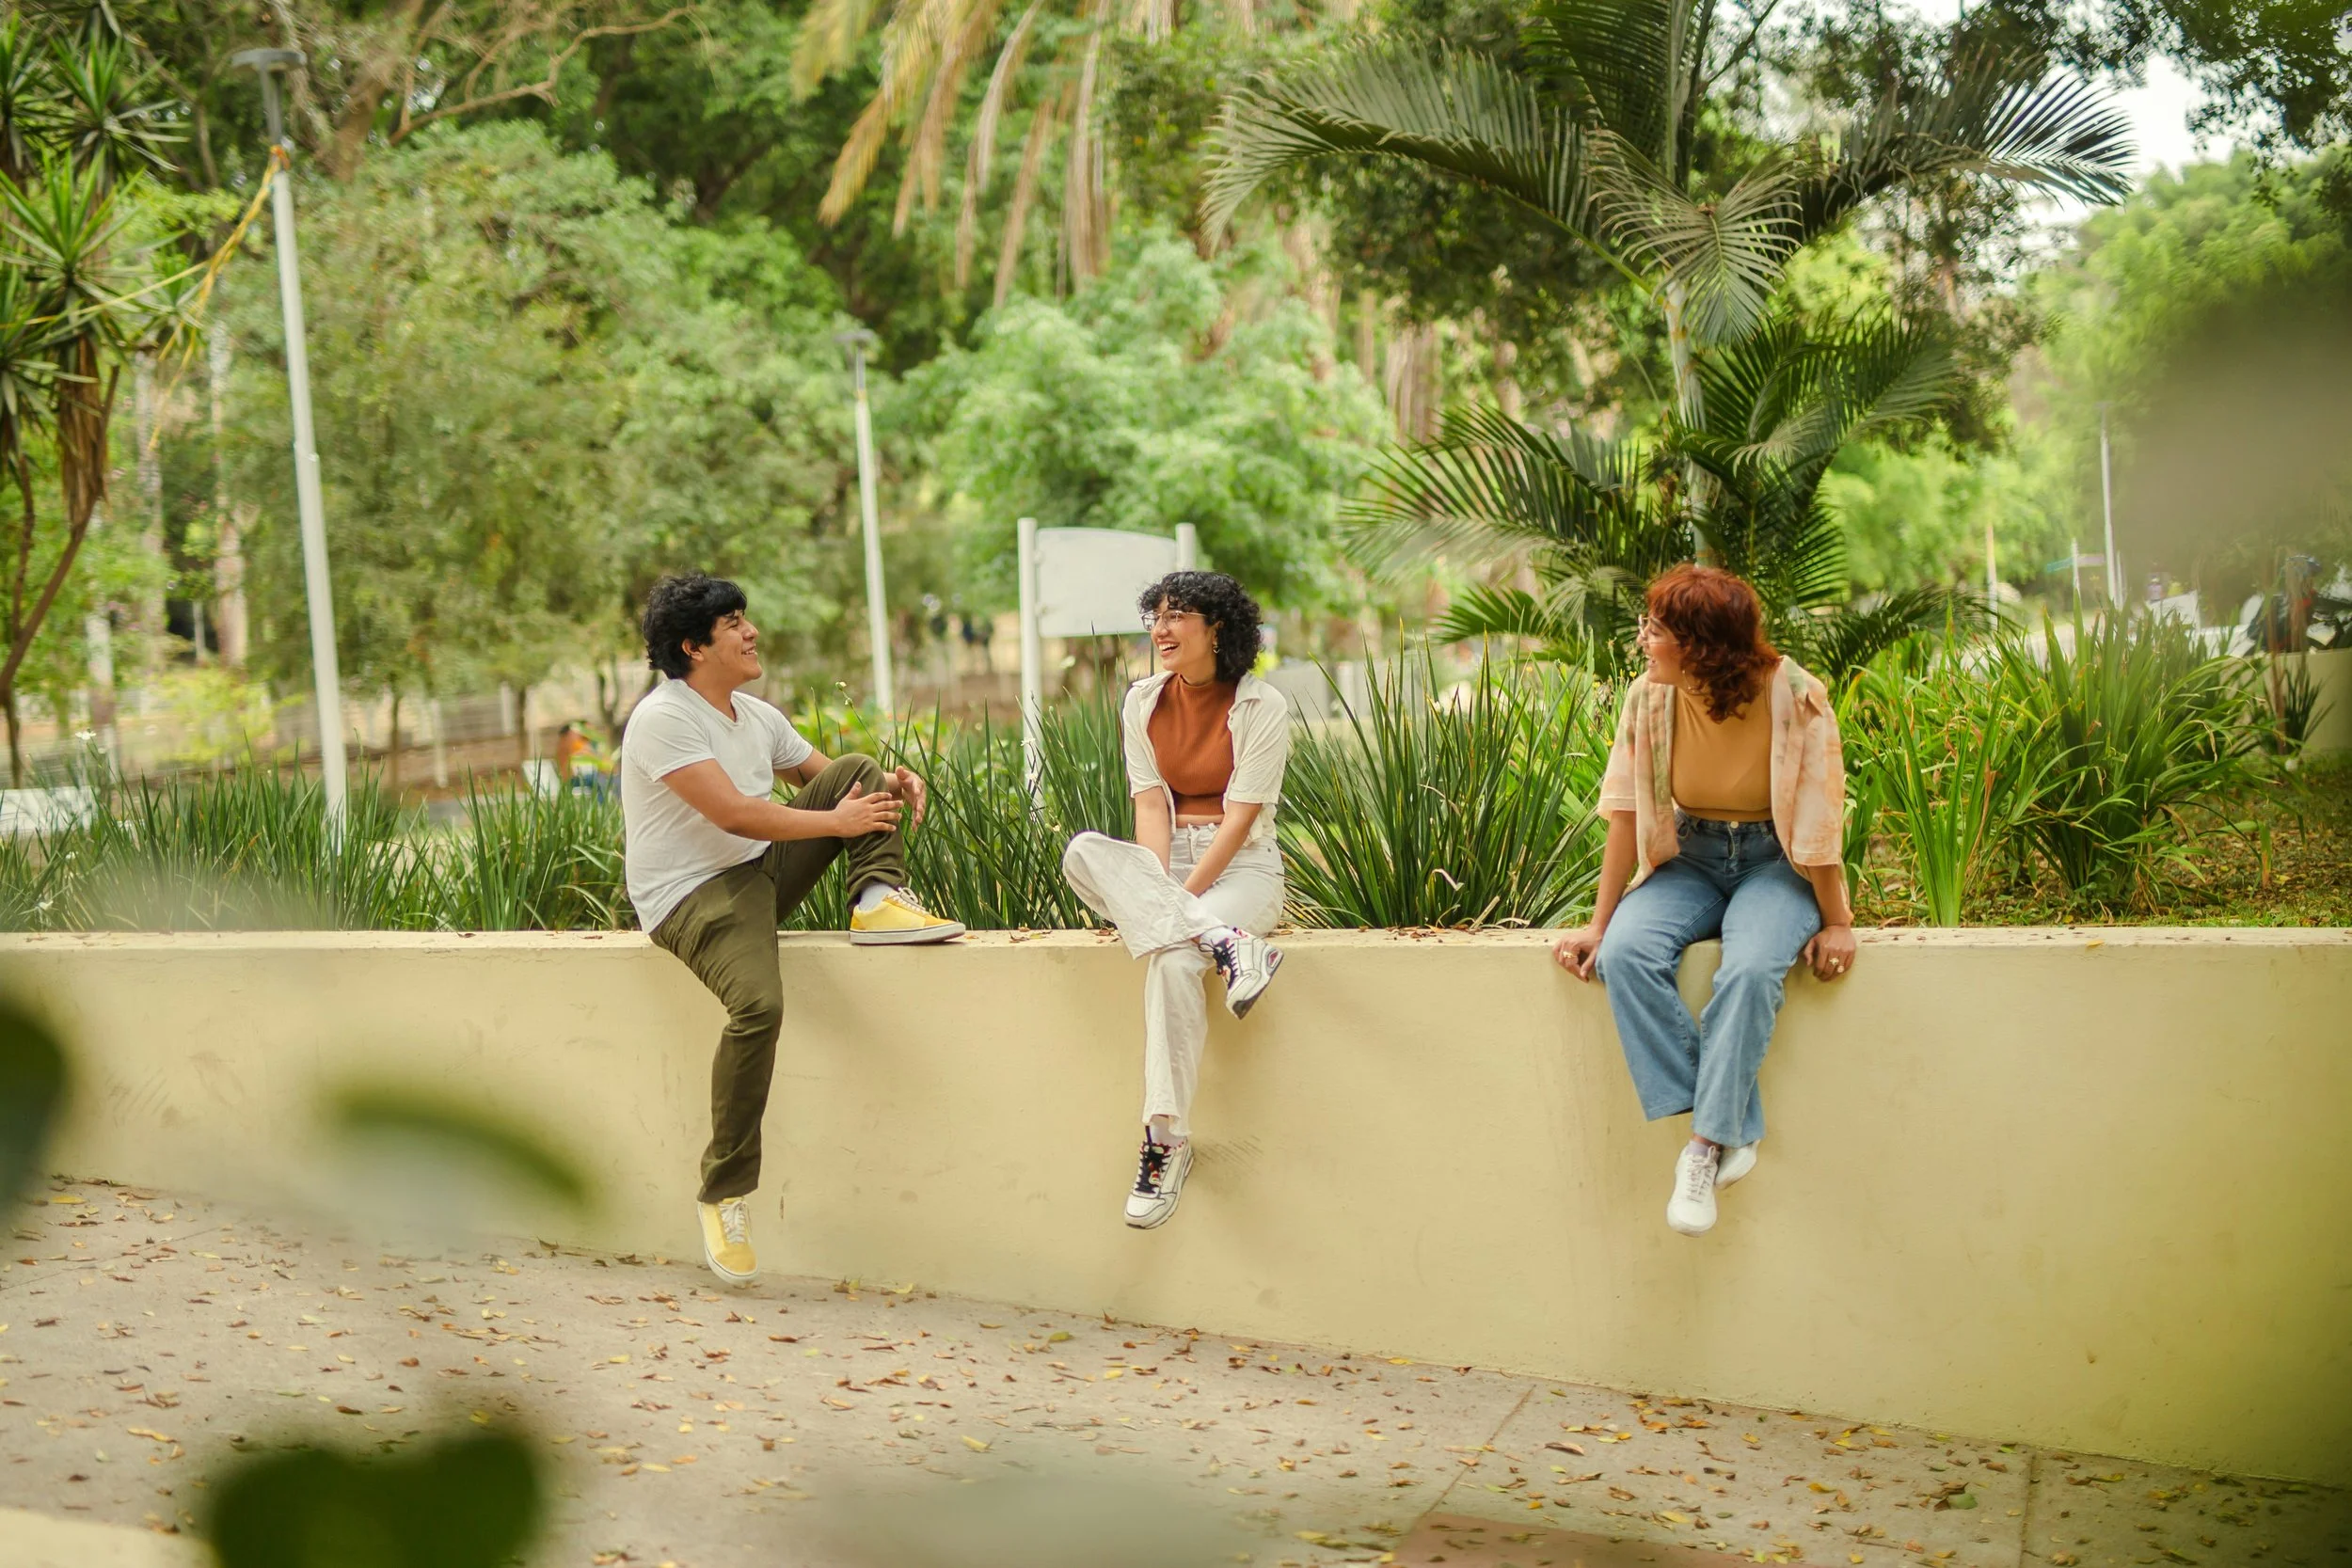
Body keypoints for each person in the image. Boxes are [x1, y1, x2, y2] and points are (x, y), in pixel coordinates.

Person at [621, 573, 965, 1286]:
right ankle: (723, 1192)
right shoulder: (665, 719)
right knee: (759, 1007)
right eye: (734, 624)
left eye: (747, 619)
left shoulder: (755, 713)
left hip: (758, 870)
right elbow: (734, 814)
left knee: (859, 768)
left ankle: (876, 901)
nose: (751, 634)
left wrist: (888, 786)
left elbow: (831, 781)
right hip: (693, 895)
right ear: (694, 646)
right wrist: (838, 822)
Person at [1552, 564, 1855, 1237]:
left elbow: (1816, 819)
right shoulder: (1649, 700)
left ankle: (1703, 1146)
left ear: (1701, 642)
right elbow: (1626, 814)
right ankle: (1731, 1126)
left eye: (1655, 629)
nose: (1642, 641)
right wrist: (1600, 925)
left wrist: (1838, 922)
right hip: (1689, 855)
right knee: (1627, 956)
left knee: (1748, 970)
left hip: (1774, 861)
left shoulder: (1794, 694)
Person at [1061, 571, 1289, 1230]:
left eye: (1178, 615)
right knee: (1082, 853)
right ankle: (1225, 943)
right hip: (1168, 868)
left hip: (1242, 866)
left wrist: (1167, 906)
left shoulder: (1261, 706)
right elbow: (1149, 808)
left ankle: (1166, 1140)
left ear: (1217, 628)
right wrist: (1155, 884)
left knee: (1171, 961)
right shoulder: (1141, 701)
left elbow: (1242, 817)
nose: (1160, 628)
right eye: (1155, 616)